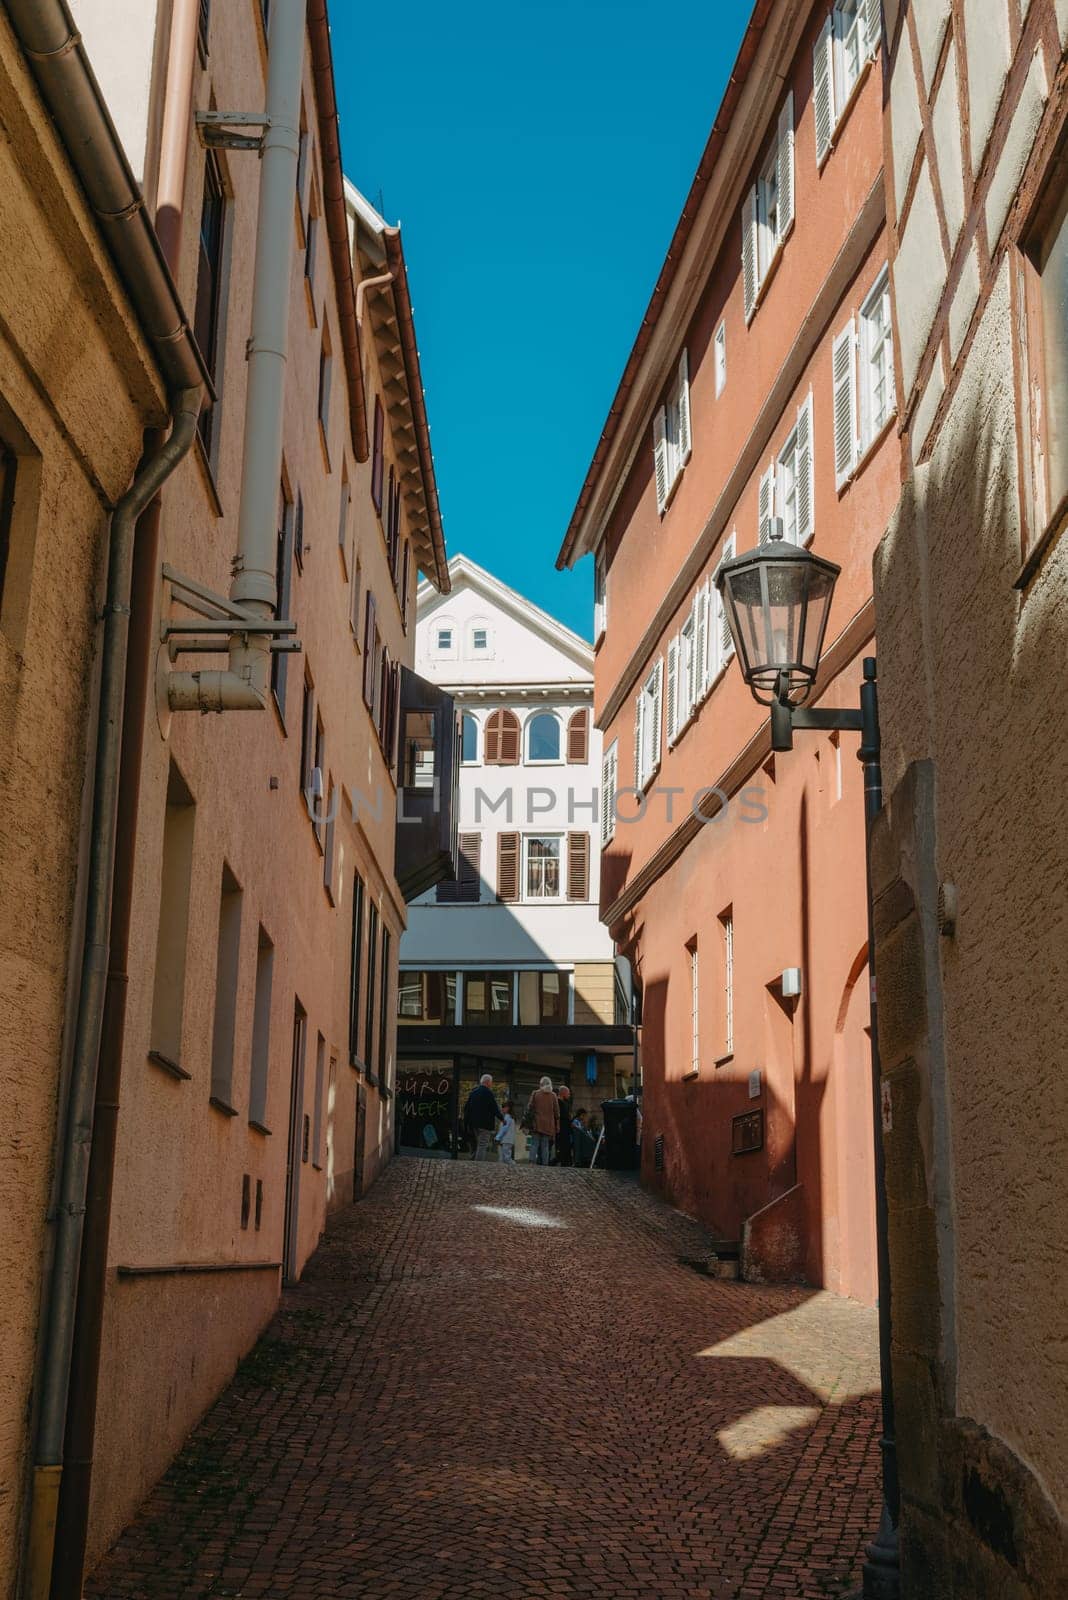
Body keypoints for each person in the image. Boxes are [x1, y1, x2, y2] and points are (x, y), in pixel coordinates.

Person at [463, 1073, 501, 1161]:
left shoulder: (473, 1093)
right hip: (485, 1124)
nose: (491, 1084)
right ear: (488, 1082)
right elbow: (494, 1108)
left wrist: (466, 1123)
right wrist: (502, 1119)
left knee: (477, 1144)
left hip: (473, 1124)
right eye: (491, 1082)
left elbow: (466, 1108)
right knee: (482, 1144)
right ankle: (478, 1165)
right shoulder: (489, 1093)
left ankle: (472, 1161)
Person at [524, 1075, 559, 1167]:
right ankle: (545, 1163)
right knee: (545, 1145)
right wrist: (557, 1125)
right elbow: (557, 1112)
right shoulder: (553, 1095)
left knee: (534, 1143)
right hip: (548, 1124)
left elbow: (529, 1107)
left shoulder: (535, 1093)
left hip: (536, 1123)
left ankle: (532, 1161)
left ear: (540, 1084)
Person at [555, 1083, 574, 1167]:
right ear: (563, 1093)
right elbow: (560, 1115)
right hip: (562, 1128)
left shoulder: (565, 1102)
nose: (569, 1095)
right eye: (568, 1093)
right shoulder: (558, 1102)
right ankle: (563, 1162)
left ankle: (566, 1162)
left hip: (566, 1128)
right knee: (563, 1147)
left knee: (566, 1146)